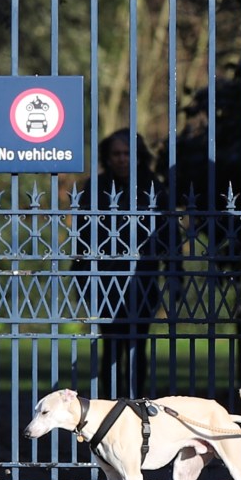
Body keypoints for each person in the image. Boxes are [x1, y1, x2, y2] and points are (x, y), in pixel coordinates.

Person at [74, 129, 168, 399]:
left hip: (143, 278)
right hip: (105, 280)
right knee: (111, 345)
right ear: (107, 157)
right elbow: (82, 237)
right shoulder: (95, 187)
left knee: (138, 346)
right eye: (116, 154)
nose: (122, 159)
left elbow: (167, 232)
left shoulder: (153, 186)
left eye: (127, 154)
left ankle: (136, 401)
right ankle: (111, 401)